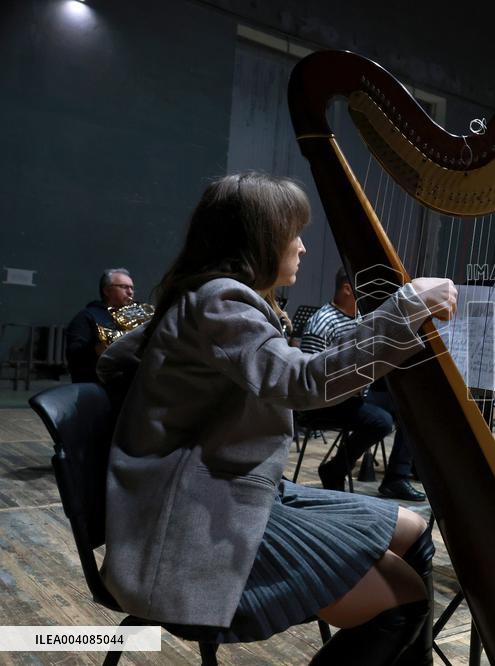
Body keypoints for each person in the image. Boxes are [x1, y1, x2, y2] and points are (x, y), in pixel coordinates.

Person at [96, 173, 457, 664]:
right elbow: (303, 382)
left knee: (414, 530)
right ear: (257, 240)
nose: (303, 247)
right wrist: (404, 310)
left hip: (237, 487)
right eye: (293, 233)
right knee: (402, 598)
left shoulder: (203, 295)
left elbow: (114, 361)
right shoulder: (219, 300)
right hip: (196, 520)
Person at [301, 267, 426, 501]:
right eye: (365, 290)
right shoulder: (321, 322)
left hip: (354, 396)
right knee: (381, 421)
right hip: (324, 403)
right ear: (348, 289)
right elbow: (309, 381)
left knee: (409, 409)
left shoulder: (360, 320)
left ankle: (396, 478)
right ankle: (336, 469)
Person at [66, 268, 135, 382]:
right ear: (107, 291)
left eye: (132, 288)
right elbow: (74, 356)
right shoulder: (86, 317)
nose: (130, 292)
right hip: (97, 384)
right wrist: (96, 349)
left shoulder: (131, 315)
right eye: (124, 287)